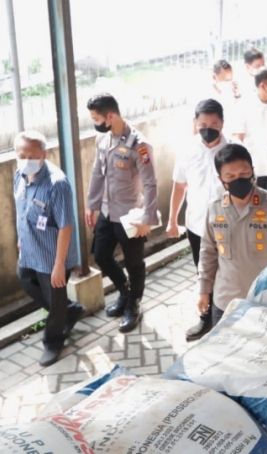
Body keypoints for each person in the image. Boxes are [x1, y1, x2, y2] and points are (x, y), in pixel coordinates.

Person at [197, 144, 267, 325]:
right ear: (221, 179)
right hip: (225, 301)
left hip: (266, 299)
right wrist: (203, 291)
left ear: (253, 171)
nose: (238, 180)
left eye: (244, 174)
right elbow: (208, 251)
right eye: (230, 176)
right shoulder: (214, 208)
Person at [85, 93, 158, 334]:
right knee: (101, 255)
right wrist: (92, 205)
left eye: (96, 118)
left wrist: (148, 217)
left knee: (134, 262)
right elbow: (98, 173)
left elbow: (150, 183)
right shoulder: (103, 140)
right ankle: (125, 291)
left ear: (111, 115)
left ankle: (133, 304)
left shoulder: (139, 144)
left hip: (130, 215)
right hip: (107, 211)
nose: (95, 122)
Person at [13, 131, 84, 366]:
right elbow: (21, 209)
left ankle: (53, 341)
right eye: (21, 155)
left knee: (54, 301)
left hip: (52, 256)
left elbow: (65, 227)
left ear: (43, 154)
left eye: (31, 155)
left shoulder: (57, 184)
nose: (25, 160)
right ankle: (69, 310)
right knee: (25, 281)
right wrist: (20, 238)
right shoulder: (19, 175)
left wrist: (58, 266)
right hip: (29, 250)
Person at [167, 99, 226, 341]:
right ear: (195, 123)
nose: (208, 128)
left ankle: (227, 319)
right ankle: (207, 319)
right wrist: (172, 220)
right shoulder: (187, 150)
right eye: (203, 123)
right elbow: (179, 186)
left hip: (226, 227)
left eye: (213, 123)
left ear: (222, 123)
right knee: (203, 274)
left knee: (227, 274)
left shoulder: (233, 150)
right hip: (196, 226)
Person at [231, 67, 267, 198]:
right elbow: (237, 137)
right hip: (255, 166)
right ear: (262, 85)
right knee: (256, 206)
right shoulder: (243, 105)